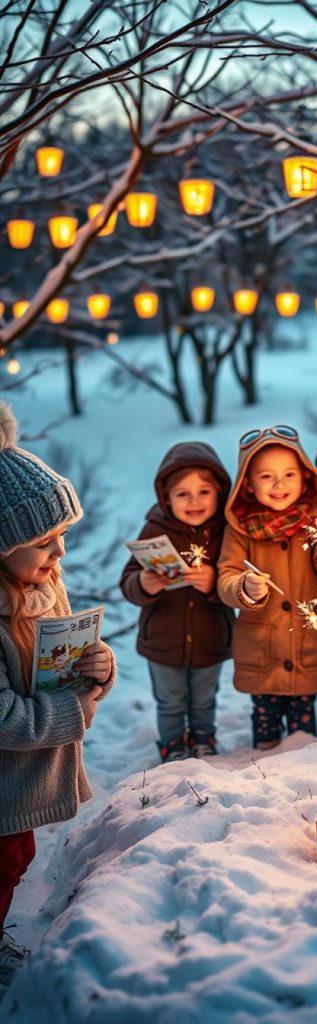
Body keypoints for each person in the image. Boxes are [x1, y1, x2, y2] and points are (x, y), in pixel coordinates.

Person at [0, 401, 115, 961]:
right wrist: (74, 711)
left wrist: (97, 668)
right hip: (4, 776)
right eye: (45, 542)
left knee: (15, 857)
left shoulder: (44, 585)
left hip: (23, 776)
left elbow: (62, 659)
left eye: (64, 535)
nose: (60, 552)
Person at [218, 426, 317, 749]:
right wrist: (243, 587)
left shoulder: (315, 524)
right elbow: (225, 577)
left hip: (304, 641)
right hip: (261, 647)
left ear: (305, 478)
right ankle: (266, 767)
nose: (279, 484)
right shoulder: (240, 530)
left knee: (303, 730)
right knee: (266, 723)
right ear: (249, 485)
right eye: (267, 477)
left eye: (289, 474)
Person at [120, 443, 234, 762]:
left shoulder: (226, 531)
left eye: (203, 491)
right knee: (170, 700)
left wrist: (214, 581)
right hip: (163, 639)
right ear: (166, 498)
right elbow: (127, 581)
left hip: (210, 636)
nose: (194, 501)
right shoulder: (156, 529)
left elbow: (235, 574)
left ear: (219, 492)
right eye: (183, 494)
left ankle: (202, 737)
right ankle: (171, 744)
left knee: (203, 697)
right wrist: (144, 583)